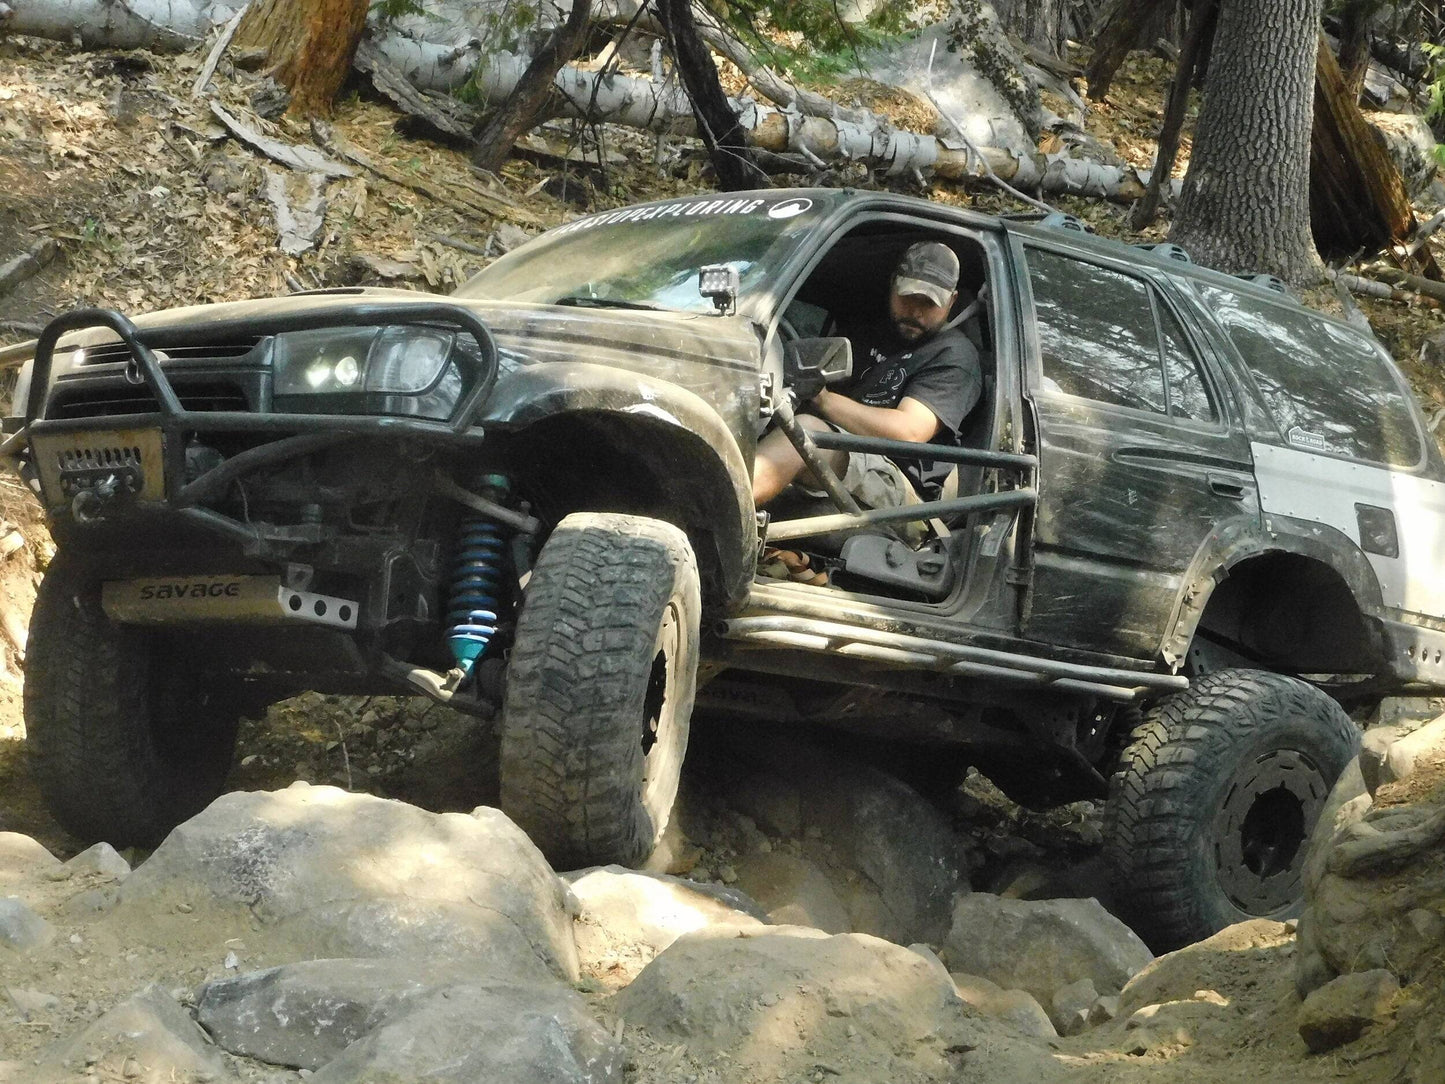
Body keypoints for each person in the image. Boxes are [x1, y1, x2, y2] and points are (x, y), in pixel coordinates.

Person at [753, 241, 984, 517]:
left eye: (929, 303)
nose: (916, 311)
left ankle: (717, 505)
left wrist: (823, 399)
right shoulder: (870, 333)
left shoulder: (954, 355)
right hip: (848, 455)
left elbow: (908, 432)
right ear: (893, 286)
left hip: (902, 491)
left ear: (952, 301)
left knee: (805, 434)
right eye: (908, 297)